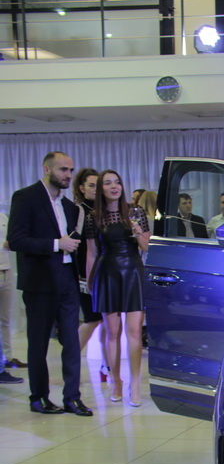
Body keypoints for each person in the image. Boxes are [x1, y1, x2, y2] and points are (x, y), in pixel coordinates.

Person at [7, 151, 92, 416]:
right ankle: (39, 397)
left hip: (67, 280)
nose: (68, 175)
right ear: (47, 169)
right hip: (39, 282)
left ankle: (72, 398)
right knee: (39, 343)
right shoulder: (26, 197)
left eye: (70, 170)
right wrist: (57, 244)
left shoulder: (69, 207)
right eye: (63, 169)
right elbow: (16, 240)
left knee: (71, 342)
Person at [84, 170, 151, 407]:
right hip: (106, 272)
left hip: (133, 271)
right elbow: (91, 253)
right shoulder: (93, 216)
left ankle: (135, 384)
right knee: (112, 332)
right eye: (108, 183)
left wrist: (137, 233)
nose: (114, 186)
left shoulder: (136, 211)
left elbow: (147, 246)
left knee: (134, 332)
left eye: (117, 182)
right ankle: (116, 382)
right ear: (101, 188)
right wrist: (90, 281)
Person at [71, 167, 108, 383]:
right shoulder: (79, 211)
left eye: (98, 185)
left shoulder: (105, 210)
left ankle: (106, 365)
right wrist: (80, 275)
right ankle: (71, 360)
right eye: (91, 185)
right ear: (82, 188)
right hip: (85, 275)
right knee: (92, 319)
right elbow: (77, 245)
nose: (95, 189)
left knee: (107, 322)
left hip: (106, 273)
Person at [0, 212, 25, 384]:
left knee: (5, 319)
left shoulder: (3, 217)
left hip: (6, 269)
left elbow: (12, 239)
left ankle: (7, 358)